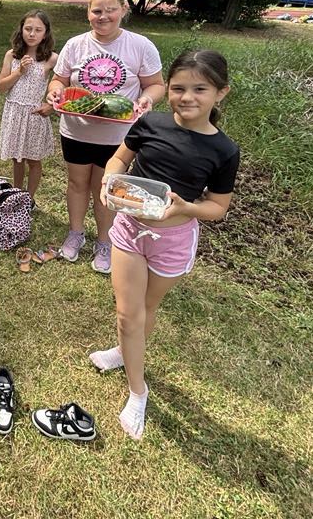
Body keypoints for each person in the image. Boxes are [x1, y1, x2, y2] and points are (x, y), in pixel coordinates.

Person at [90, 49, 240, 441]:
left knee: (146, 308)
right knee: (128, 315)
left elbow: (218, 207)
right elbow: (118, 161)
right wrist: (108, 182)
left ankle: (124, 352)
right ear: (167, 88)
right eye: (178, 88)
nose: (186, 97)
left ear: (221, 93)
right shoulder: (150, 123)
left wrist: (187, 207)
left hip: (172, 241)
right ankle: (138, 391)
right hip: (129, 229)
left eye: (199, 89)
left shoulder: (224, 151)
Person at [45, 0, 165, 272]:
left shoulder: (140, 45)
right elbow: (59, 79)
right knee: (76, 184)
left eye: (110, 10)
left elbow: (156, 85)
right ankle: (75, 233)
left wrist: (147, 99)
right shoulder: (76, 45)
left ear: (123, 10)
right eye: (96, 11)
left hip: (118, 136)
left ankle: (105, 242)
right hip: (76, 130)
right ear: (88, 12)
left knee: (106, 189)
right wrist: (55, 91)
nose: (103, 17)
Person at [0, 10, 59, 199]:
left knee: (33, 159)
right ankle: (16, 194)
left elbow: (64, 83)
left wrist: (51, 105)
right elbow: (1, 87)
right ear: (21, 29)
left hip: (34, 114)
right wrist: (19, 72)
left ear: (45, 33)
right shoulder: (12, 55)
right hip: (14, 112)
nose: (32, 34)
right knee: (17, 158)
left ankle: (28, 199)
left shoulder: (52, 58)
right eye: (28, 29)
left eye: (38, 30)